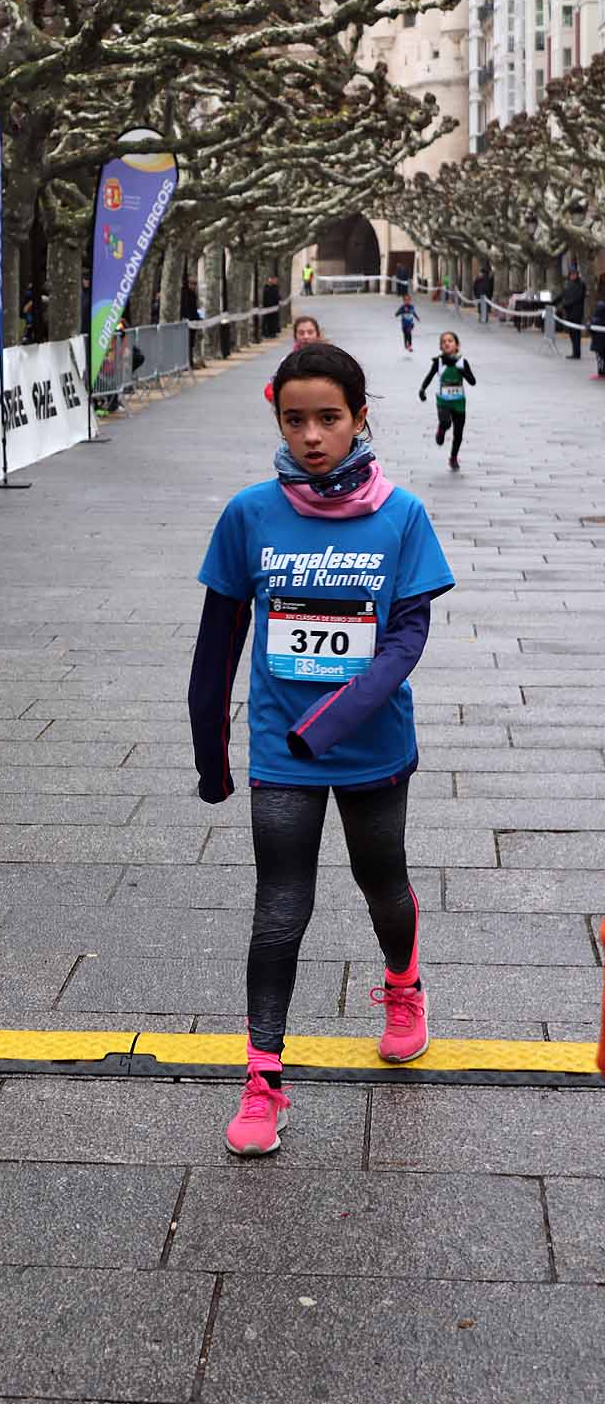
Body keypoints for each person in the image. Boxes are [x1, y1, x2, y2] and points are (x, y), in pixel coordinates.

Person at [190, 341, 454, 1156]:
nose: (311, 436)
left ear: (360, 418)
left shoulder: (402, 515)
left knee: (383, 882)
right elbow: (216, 642)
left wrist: (331, 723)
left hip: (371, 744)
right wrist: (211, 746)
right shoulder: (249, 515)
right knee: (280, 909)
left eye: (328, 419)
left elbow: (407, 640)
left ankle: (403, 990)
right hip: (281, 748)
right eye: (294, 419)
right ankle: (262, 1082)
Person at [419, 329, 476, 472]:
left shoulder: (462, 362)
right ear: (440, 347)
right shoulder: (438, 362)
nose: (447, 343)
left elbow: (472, 381)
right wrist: (422, 389)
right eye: (443, 342)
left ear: (457, 345)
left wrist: (462, 370)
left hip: (459, 401)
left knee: (458, 432)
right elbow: (430, 376)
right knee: (445, 422)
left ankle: (454, 457)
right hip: (443, 400)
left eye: (450, 341)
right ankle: (441, 429)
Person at [263, 316, 324, 405]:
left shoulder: (329, 359)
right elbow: (270, 389)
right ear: (295, 336)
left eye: (310, 332)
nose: (306, 337)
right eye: (301, 333)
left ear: (317, 335)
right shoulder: (287, 361)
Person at [553, 265, 587, 360]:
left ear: (577, 274)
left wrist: (565, 304)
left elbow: (578, 298)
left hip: (576, 312)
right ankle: (575, 352)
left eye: (574, 274)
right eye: (571, 274)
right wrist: (553, 302)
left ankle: (577, 354)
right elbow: (563, 294)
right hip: (569, 312)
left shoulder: (581, 284)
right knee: (572, 333)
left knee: (576, 333)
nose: (572, 276)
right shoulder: (569, 284)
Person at [590, 279, 605, 379]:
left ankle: (602, 373)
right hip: (599, 335)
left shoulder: (601, 305)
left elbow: (597, 319)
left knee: (601, 356)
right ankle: (601, 372)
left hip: (600, 337)